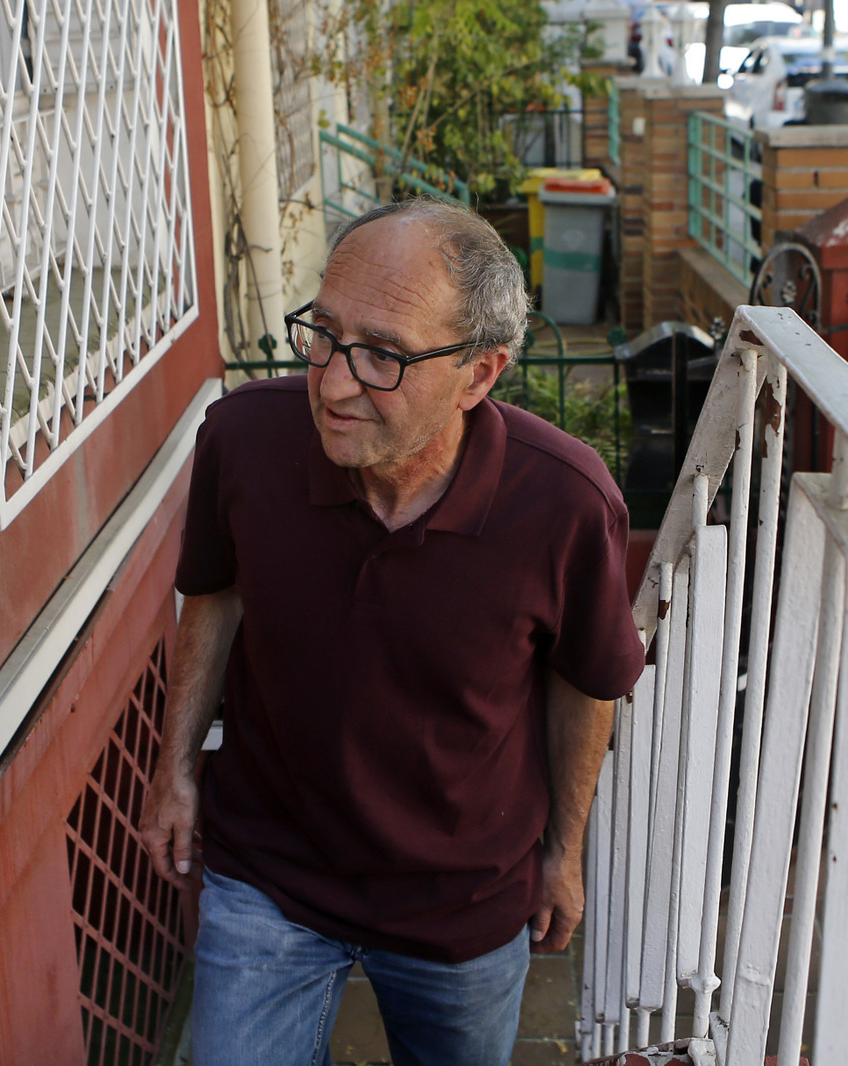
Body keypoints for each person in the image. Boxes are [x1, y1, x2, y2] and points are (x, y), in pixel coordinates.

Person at [140, 197, 647, 1066]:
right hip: (269, 874)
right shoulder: (243, 439)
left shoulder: (563, 501)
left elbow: (585, 682)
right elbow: (214, 595)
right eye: (325, 335)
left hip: (463, 900)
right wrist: (175, 769)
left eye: (383, 356)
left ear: (480, 375)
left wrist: (563, 853)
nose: (334, 383)